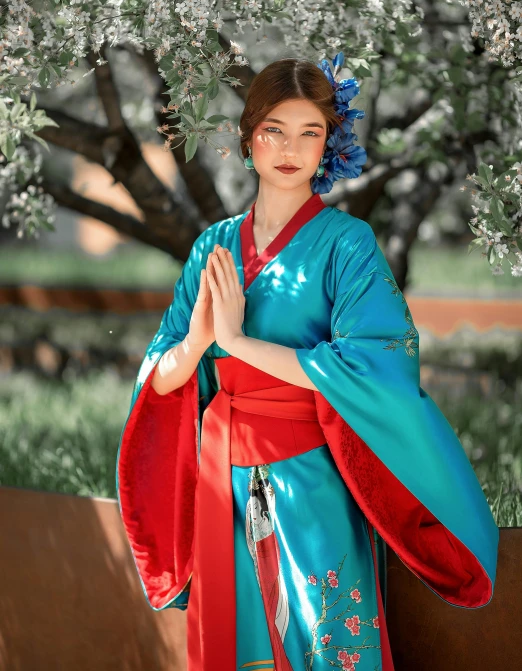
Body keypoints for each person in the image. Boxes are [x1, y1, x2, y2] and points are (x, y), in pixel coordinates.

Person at [116, 54, 499, 671]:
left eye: (310, 132)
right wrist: (193, 346)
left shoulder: (349, 245)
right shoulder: (211, 248)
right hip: (224, 480)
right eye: (274, 130)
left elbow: (373, 364)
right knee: (239, 646)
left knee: (330, 638)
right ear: (248, 139)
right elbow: (158, 375)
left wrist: (237, 344)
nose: (290, 148)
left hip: (314, 473)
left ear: (329, 143)